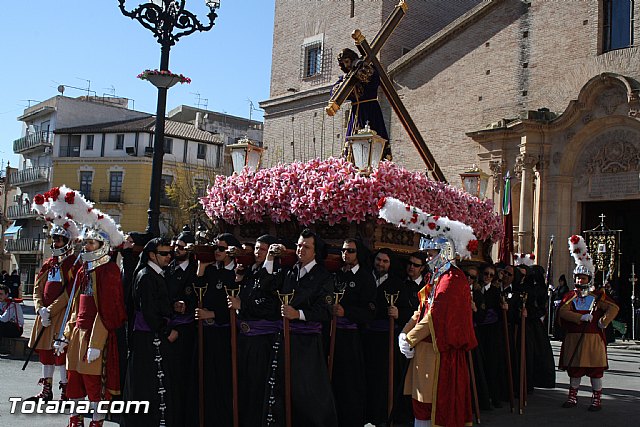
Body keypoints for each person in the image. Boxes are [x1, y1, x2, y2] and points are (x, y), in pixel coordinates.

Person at [379, 196, 477, 427]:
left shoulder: (452, 279)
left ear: (445, 252)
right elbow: (421, 310)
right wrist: (405, 333)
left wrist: (410, 339)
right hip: (425, 351)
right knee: (419, 407)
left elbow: (436, 315)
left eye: (431, 254)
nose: (428, 259)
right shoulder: (436, 278)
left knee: (432, 409)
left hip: (439, 354)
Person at [54, 200, 126, 427]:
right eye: (85, 243)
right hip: (77, 333)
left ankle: (97, 420)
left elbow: (109, 310)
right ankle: (75, 418)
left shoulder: (109, 271)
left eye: (91, 243)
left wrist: (96, 342)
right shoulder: (83, 270)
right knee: (74, 378)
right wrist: (65, 335)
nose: (86, 247)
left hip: (96, 336)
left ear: (102, 245)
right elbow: (74, 306)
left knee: (95, 383)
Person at [267, 228, 338, 427]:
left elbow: (325, 311)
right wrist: (271, 259)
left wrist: (297, 314)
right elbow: (271, 288)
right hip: (285, 338)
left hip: (308, 345)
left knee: (307, 392)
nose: (301, 250)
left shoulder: (323, 276)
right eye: (298, 245)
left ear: (316, 252)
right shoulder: (290, 272)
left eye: (306, 247)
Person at [558, 235, 619, 412]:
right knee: (575, 370)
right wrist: (579, 318)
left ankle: (596, 399)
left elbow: (614, 308)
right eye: (578, 278)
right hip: (575, 338)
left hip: (593, 340)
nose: (579, 281)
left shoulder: (597, 297)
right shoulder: (570, 297)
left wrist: (603, 321)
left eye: (583, 278)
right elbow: (562, 311)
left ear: (589, 279)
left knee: (595, 371)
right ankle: (572, 397)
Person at [228, 234, 282, 427]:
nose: (258, 253)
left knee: (258, 385)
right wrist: (240, 278)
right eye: (257, 249)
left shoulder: (276, 273)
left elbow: (268, 306)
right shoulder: (252, 270)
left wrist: (241, 306)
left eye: (263, 249)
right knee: (245, 385)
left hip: (262, 340)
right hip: (246, 339)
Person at [188, 232, 241, 426]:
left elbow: (236, 304)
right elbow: (197, 292)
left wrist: (212, 315)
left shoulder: (237, 274)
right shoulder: (211, 271)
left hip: (224, 334)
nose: (217, 252)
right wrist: (201, 269)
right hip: (206, 332)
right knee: (204, 378)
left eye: (221, 248)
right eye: (215, 248)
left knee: (222, 380)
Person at [125, 237, 177, 427]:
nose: (168, 257)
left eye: (170, 253)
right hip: (150, 338)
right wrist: (166, 330)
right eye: (164, 254)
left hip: (152, 335)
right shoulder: (147, 275)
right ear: (152, 255)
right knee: (150, 384)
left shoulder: (156, 274)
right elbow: (148, 311)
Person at [27, 220, 81, 402]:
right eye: (54, 239)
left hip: (61, 315)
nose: (55, 243)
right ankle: (46, 389)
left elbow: (70, 292)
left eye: (59, 240)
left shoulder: (73, 264)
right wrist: (39, 308)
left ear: (67, 242)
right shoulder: (49, 264)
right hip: (44, 316)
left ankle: (65, 391)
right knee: (45, 353)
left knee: (60, 354)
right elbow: (37, 288)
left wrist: (50, 311)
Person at [362, 248, 413, 426]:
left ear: (390, 264)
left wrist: (398, 312)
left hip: (386, 339)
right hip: (365, 336)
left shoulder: (397, 284)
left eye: (385, 261)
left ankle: (384, 415)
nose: (381, 264)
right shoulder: (365, 277)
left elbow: (409, 311)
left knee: (384, 379)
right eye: (379, 260)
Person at [330, 238, 376, 427]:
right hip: (333, 335)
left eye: (350, 251)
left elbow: (370, 311)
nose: (345, 254)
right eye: (343, 250)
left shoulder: (365, 277)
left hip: (352, 338)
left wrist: (346, 312)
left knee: (350, 383)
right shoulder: (337, 275)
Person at [333, 47, 391, 160]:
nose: (345, 66)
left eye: (347, 61)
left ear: (353, 59)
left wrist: (360, 70)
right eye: (342, 63)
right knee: (351, 148)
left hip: (371, 110)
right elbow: (334, 93)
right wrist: (344, 83)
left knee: (375, 141)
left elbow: (374, 80)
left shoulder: (367, 68)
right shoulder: (345, 78)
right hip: (356, 113)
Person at [473, 263, 507, 408]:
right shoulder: (475, 290)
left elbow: (498, 313)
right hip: (478, 332)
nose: (487, 277)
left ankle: (494, 396)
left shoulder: (495, 292)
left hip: (492, 333)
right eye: (486, 273)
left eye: (491, 275)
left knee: (492, 365)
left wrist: (505, 308)